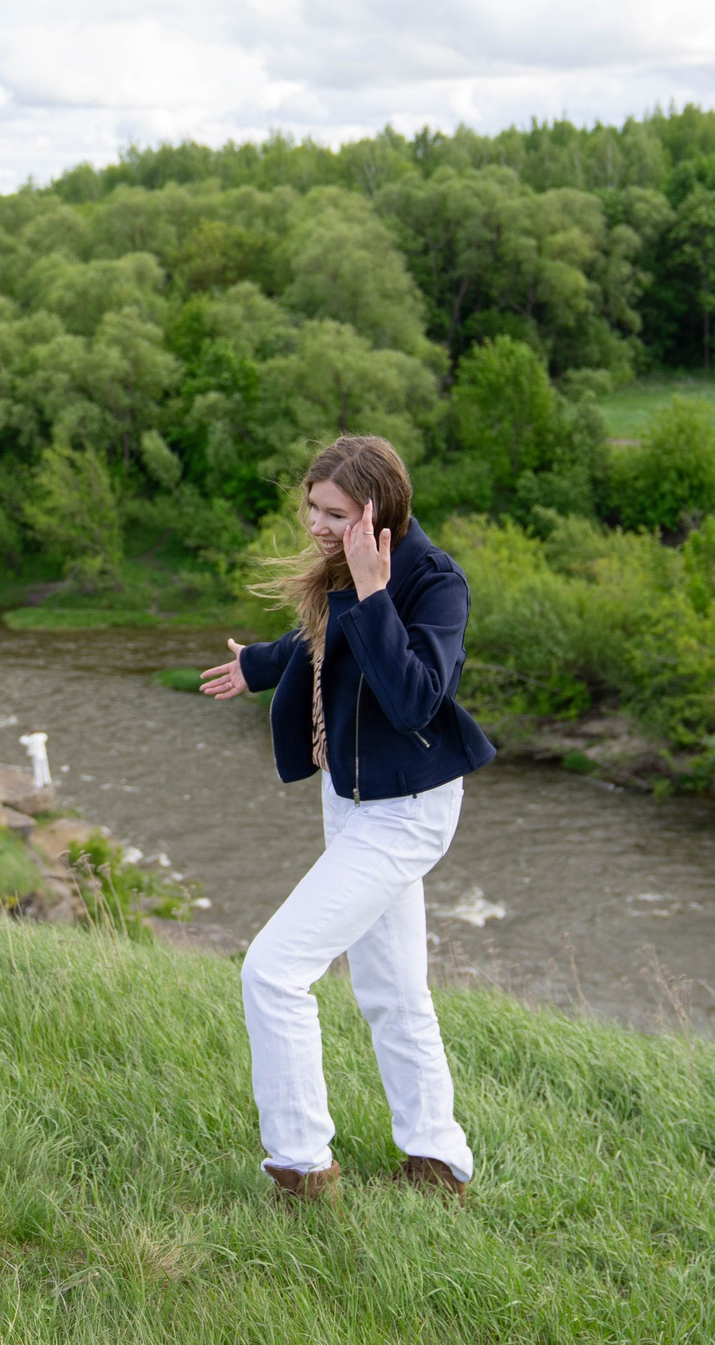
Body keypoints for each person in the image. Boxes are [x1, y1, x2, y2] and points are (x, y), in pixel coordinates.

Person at [200, 433, 495, 1203]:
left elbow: (413, 697)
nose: (317, 526)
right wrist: (256, 664)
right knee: (391, 989)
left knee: (273, 970)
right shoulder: (342, 567)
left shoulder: (435, 582)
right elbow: (319, 646)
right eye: (311, 509)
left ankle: (301, 1166)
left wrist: (371, 591)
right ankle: (438, 1163)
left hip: (408, 811)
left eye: (333, 513)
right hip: (351, 798)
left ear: (376, 512)